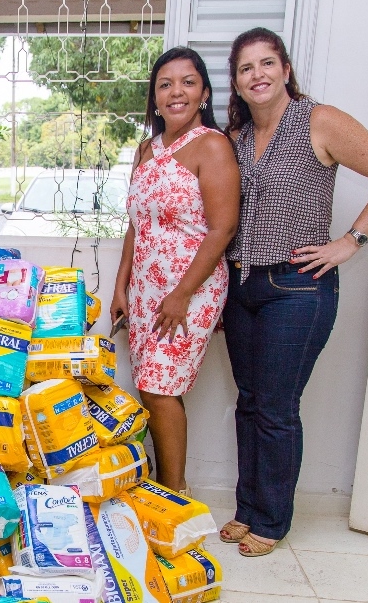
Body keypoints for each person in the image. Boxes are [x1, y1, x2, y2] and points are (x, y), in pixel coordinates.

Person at [219, 28, 368, 557]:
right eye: (245, 68)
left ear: (284, 68)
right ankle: (247, 508)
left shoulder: (318, 121)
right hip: (242, 287)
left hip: (297, 288)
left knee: (278, 407)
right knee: (250, 403)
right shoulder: (235, 138)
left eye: (266, 63)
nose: (257, 74)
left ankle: (272, 521)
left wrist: (351, 241)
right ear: (236, 82)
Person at [110, 47, 240, 496]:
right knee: (149, 387)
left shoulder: (212, 145)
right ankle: (164, 488)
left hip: (190, 289)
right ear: (155, 97)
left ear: (203, 92)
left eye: (187, 82)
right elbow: (136, 223)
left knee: (162, 389)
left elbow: (222, 229)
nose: (176, 92)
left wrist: (182, 293)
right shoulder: (147, 148)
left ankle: (172, 492)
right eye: (165, 84)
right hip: (146, 288)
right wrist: (121, 285)